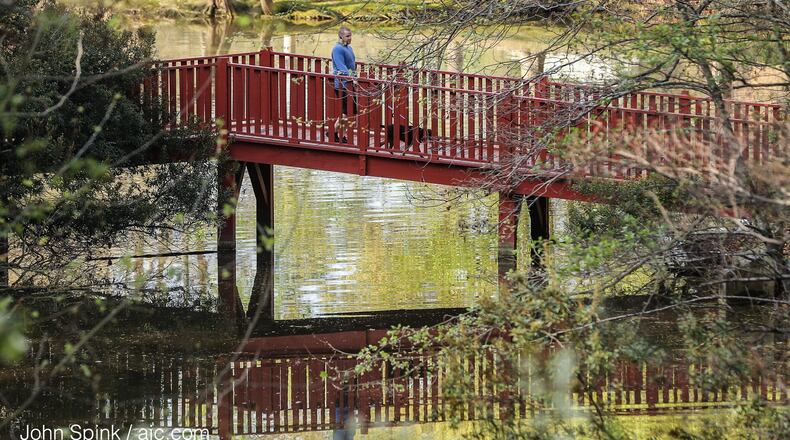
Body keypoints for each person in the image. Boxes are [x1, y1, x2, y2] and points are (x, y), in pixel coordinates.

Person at [331, 26, 357, 143]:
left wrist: (355, 78)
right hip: (342, 85)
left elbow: (352, 66)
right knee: (347, 112)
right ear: (341, 36)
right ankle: (334, 133)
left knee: (352, 112)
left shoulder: (349, 48)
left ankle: (340, 134)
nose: (350, 38)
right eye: (347, 36)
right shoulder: (337, 49)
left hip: (350, 84)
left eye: (350, 35)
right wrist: (351, 79)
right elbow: (341, 67)